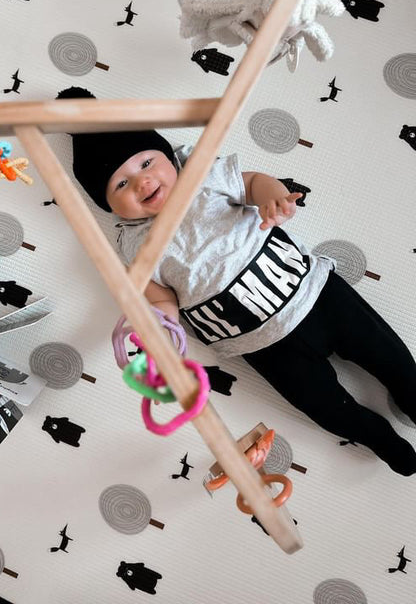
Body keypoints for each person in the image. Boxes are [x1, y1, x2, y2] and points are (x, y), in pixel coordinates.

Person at [57, 87, 416, 476]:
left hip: (316, 295)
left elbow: (255, 182)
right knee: (326, 406)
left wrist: (274, 197)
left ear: (167, 156)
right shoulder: (134, 244)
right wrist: (163, 325)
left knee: (389, 355)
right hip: (262, 347)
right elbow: (158, 296)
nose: (142, 183)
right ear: (108, 204)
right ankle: (379, 438)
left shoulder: (203, 178)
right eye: (121, 185)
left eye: (146, 163)